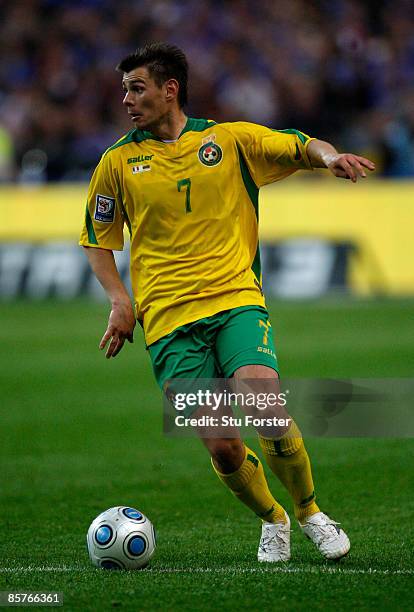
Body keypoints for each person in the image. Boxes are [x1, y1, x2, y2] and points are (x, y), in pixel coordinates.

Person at [79, 42, 375, 563]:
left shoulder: (230, 140)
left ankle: (309, 512)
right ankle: (273, 520)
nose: (127, 98)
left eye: (137, 87)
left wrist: (331, 158)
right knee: (222, 445)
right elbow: (98, 241)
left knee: (268, 409)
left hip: (235, 300)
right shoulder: (117, 163)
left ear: (170, 89)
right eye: (125, 88)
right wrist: (119, 303)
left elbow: (301, 145)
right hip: (168, 323)